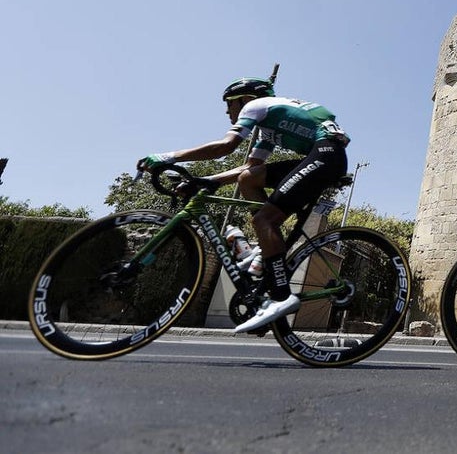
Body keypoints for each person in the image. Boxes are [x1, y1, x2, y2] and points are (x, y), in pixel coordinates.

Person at [137, 77, 350, 333]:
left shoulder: (257, 105)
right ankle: (266, 248)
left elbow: (226, 146)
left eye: (229, 105)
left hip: (327, 155)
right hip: (325, 155)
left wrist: (167, 157)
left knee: (264, 220)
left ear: (244, 99)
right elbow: (249, 168)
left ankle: (281, 297)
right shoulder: (270, 128)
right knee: (249, 179)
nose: (228, 112)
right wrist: (208, 181)